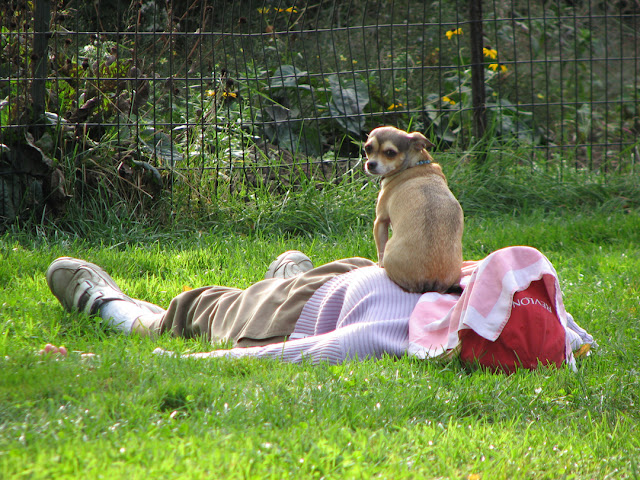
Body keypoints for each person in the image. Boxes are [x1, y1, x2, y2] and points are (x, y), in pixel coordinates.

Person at [45, 248, 595, 367]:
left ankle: (112, 306)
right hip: (345, 277)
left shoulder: (386, 334)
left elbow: (293, 356)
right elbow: (565, 325)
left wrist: (172, 364)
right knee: (355, 261)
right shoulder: (466, 278)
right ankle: (293, 274)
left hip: (288, 319)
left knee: (201, 308)